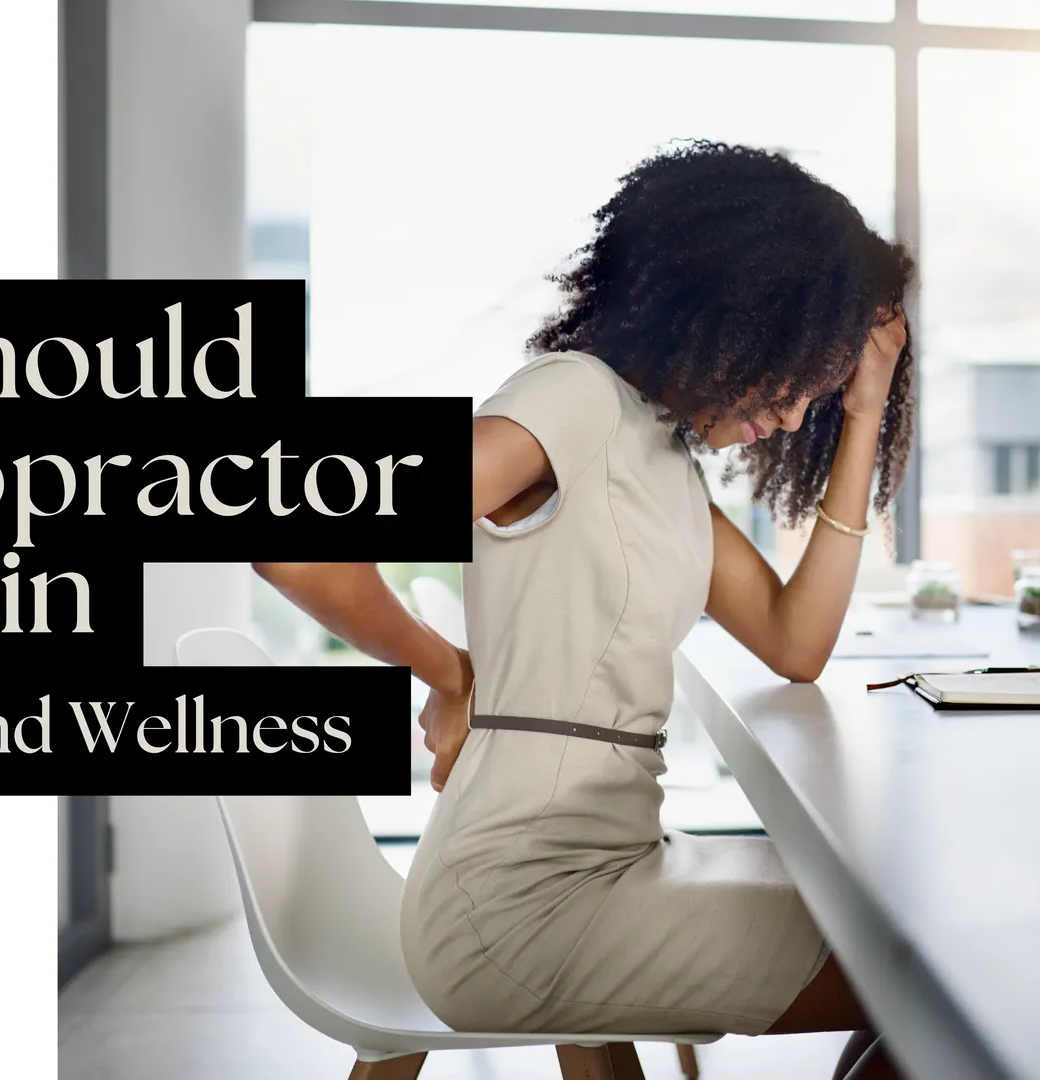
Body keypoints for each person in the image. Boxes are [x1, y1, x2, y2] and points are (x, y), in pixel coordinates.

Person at [254, 140, 914, 1079]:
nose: (804, 405)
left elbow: (795, 642)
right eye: (811, 368)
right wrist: (448, 670)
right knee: (922, 974)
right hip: (523, 904)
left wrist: (864, 411)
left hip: (609, 867)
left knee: (907, 943)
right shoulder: (575, 399)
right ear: (742, 313)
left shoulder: (663, 461)